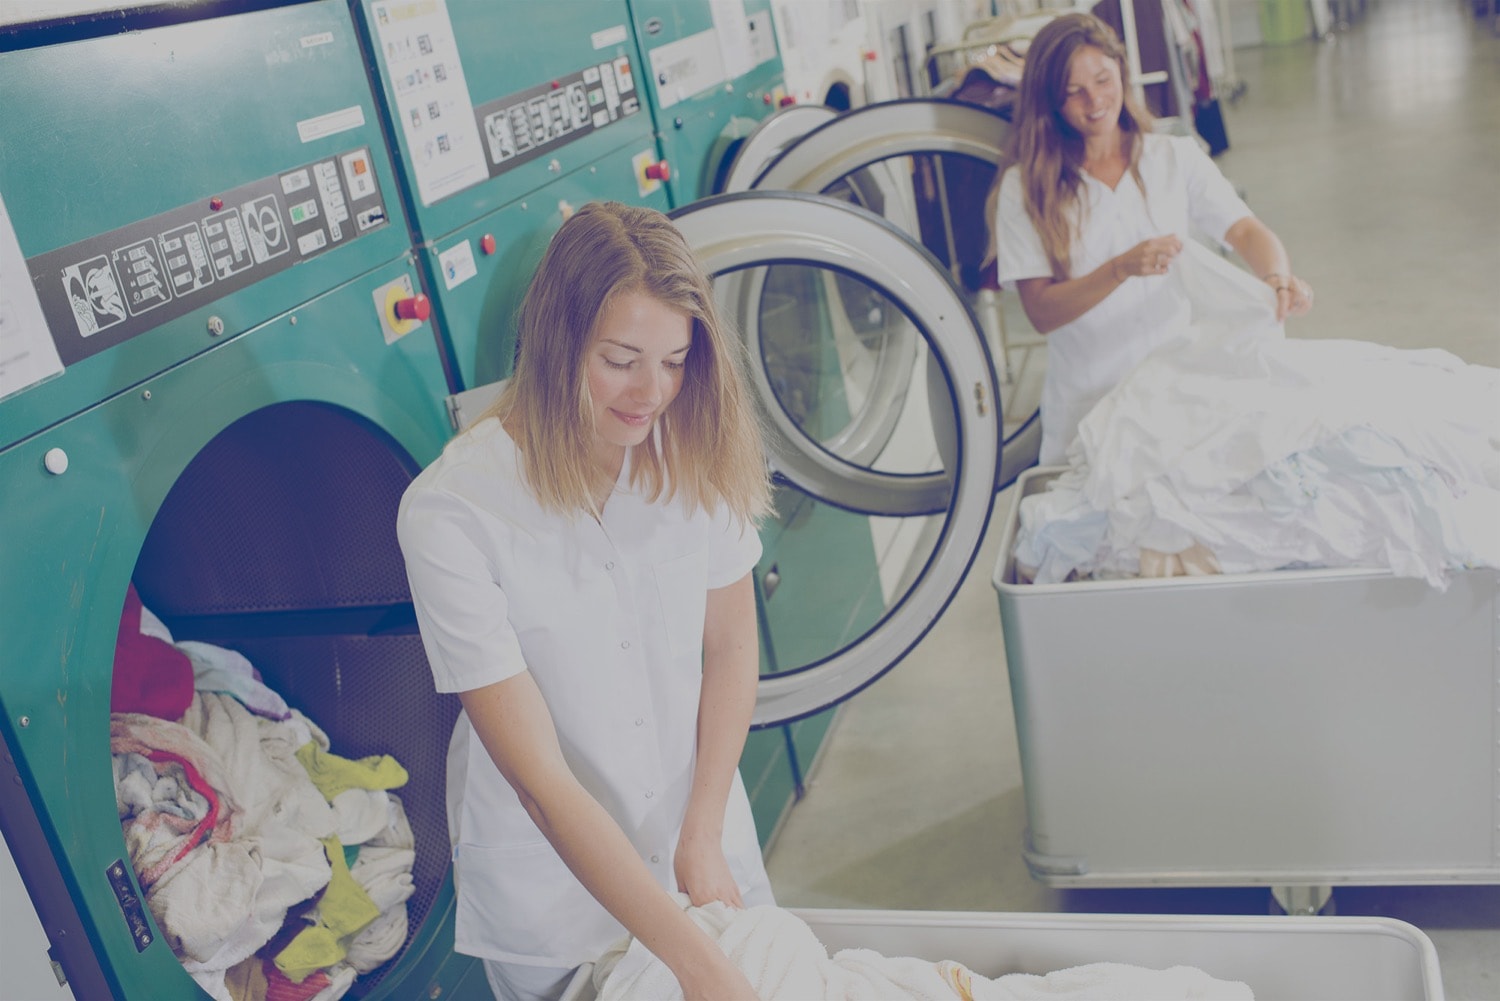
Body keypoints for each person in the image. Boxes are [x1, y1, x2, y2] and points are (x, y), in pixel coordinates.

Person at [396, 201, 774, 1001]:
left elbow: (733, 643)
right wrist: (699, 964)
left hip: (700, 836)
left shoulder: (690, 441)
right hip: (555, 899)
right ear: (557, 342)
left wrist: (701, 833)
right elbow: (539, 781)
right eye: (621, 358)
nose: (652, 392)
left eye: (674, 360)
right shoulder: (453, 513)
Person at [992, 11, 1313, 465]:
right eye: (1074, 92)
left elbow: (1244, 229)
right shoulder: (1025, 187)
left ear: (1122, 71)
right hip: (1089, 407)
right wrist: (1120, 269)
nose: (1095, 101)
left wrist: (1278, 278)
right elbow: (1042, 311)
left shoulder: (1170, 157)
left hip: (1177, 392)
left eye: (1104, 80)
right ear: (1050, 101)